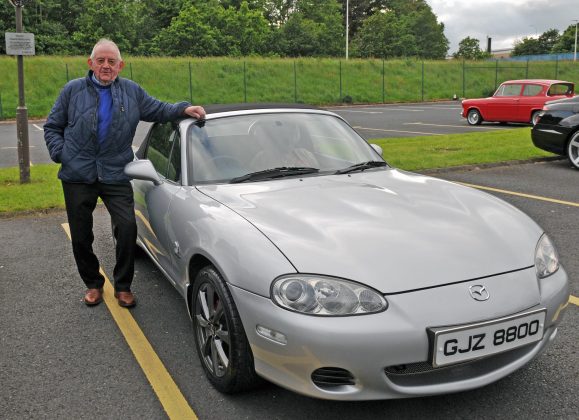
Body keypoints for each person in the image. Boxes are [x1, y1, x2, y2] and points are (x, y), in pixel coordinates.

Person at [44, 39, 206, 308]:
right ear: (91, 63)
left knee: (128, 228)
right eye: (101, 61)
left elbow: (158, 108)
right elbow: (52, 127)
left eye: (111, 62)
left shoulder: (131, 92)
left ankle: (123, 285)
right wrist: (63, 154)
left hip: (115, 171)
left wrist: (182, 109)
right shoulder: (72, 90)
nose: (106, 66)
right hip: (77, 174)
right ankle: (93, 284)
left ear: (120, 66)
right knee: (81, 235)